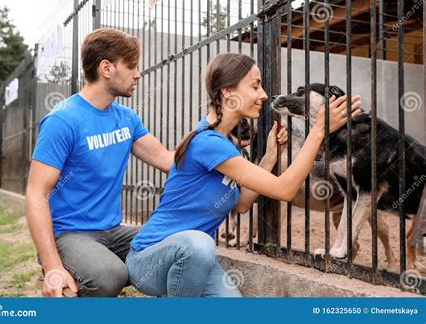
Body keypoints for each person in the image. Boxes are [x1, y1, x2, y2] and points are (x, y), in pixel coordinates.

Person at [126, 52, 362, 297]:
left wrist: (270, 156)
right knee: (200, 243)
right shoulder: (209, 143)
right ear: (228, 91)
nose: (263, 95)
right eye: (255, 86)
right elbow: (285, 189)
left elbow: (241, 204)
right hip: (151, 259)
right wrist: (319, 130)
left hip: (194, 259)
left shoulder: (224, 144)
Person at [25, 28, 173, 297]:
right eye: (131, 67)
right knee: (109, 275)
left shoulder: (127, 119)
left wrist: (217, 136)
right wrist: (52, 267)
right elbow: (37, 194)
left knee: (175, 245)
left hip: (112, 231)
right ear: (106, 68)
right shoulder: (63, 120)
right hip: (68, 235)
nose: (138, 74)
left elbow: (167, 159)